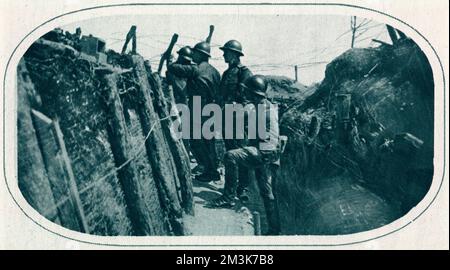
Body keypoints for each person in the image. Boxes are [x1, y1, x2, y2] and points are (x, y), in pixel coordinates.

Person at [209, 75, 282, 235]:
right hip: (269, 154)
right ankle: (275, 230)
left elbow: (256, 133)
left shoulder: (262, 111)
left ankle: (228, 197)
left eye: (248, 93)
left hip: (264, 153)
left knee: (230, 156)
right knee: (267, 194)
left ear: (255, 94)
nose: (245, 95)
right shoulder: (264, 106)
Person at [167, 41, 221, 182]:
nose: (193, 56)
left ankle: (208, 169)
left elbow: (172, 68)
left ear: (200, 54)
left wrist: (172, 62)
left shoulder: (196, 69)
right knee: (209, 142)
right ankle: (213, 171)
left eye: (195, 53)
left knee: (197, 141)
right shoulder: (215, 72)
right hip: (212, 108)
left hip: (198, 107)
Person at [218, 39, 253, 201]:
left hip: (238, 117)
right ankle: (232, 188)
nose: (224, 54)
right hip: (227, 117)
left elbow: (247, 97)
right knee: (229, 153)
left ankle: (243, 188)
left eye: (226, 52)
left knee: (241, 152)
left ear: (234, 54)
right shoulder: (226, 73)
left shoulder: (244, 72)